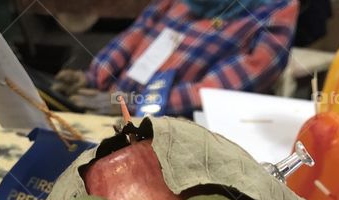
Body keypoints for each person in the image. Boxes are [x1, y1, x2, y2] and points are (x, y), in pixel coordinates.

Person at [55, 0, 299, 117]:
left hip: (173, 128)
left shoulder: (276, 9)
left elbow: (220, 92)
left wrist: (136, 104)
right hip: (110, 105)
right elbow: (138, 32)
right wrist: (93, 77)